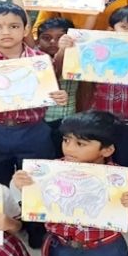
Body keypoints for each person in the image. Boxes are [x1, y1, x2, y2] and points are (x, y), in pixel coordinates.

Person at [12, 111, 128, 256]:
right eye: (66, 140)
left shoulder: (125, 178)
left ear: (107, 150)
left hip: (103, 249)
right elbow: (36, 207)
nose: (69, 148)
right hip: (60, 246)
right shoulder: (48, 171)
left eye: (80, 144)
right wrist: (23, 187)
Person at [53, 5, 128, 182]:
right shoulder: (97, 50)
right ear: (110, 30)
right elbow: (60, 69)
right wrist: (64, 49)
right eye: (125, 27)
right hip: (100, 123)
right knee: (98, 165)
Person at [0, 3, 69, 186]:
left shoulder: (41, 62)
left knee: (37, 182)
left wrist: (59, 96)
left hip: (33, 130)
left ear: (25, 29)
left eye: (14, 26)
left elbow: (51, 92)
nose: (6, 32)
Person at [37, 17, 78, 155]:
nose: (53, 42)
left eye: (60, 38)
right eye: (46, 38)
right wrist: (62, 50)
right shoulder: (34, 60)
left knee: (62, 155)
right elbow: (54, 73)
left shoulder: (78, 58)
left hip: (67, 118)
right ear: (38, 41)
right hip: (38, 121)